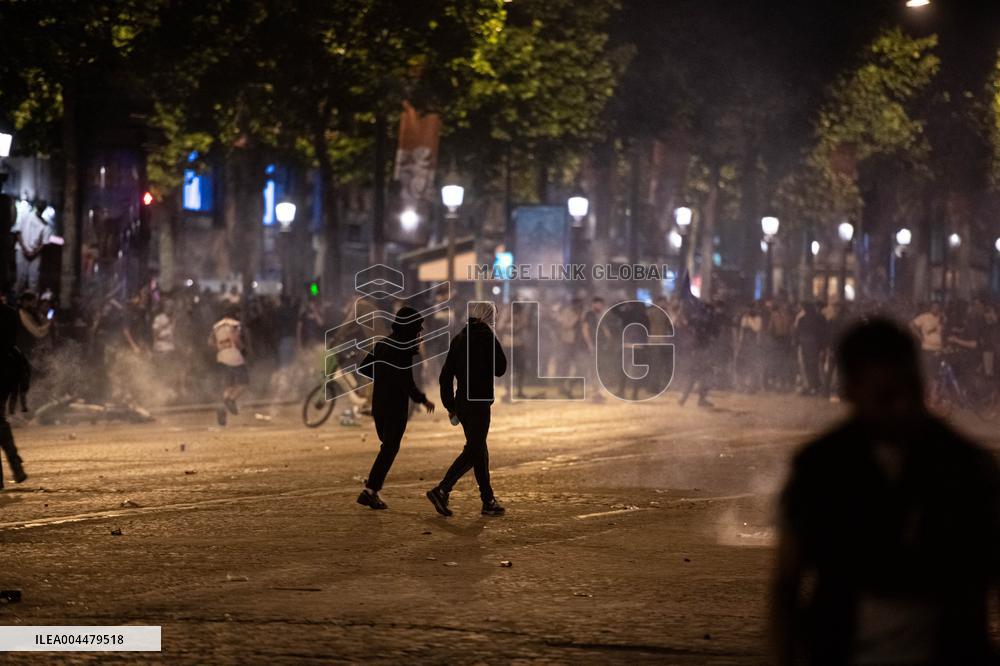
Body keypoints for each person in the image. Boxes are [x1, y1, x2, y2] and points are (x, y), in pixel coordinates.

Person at [770, 319, 1000, 665]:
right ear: (850, 390)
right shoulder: (821, 469)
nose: (902, 408)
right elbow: (786, 584)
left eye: (909, 391)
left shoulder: (965, 466)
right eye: (885, 397)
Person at [427, 302, 507, 517]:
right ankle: (442, 489)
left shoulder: (459, 338)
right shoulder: (488, 338)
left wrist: (450, 406)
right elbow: (501, 369)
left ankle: (487, 499)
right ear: (489, 316)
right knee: (474, 450)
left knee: (478, 449)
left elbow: (445, 377)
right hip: (479, 402)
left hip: (462, 403)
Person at [355, 306, 435, 510]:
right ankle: (370, 491)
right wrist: (422, 400)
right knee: (389, 448)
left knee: (387, 446)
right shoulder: (402, 351)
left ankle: (371, 490)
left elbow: (364, 367)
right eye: (417, 330)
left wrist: (382, 377)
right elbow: (407, 381)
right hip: (395, 407)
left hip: (379, 405)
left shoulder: (382, 345)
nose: (419, 334)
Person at [0, 300, 28, 487]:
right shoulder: (10, 312)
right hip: (8, 370)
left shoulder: (9, 312)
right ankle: (15, 464)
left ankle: (15, 466)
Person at [208, 307, 248, 426]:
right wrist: (243, 348)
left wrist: (219, 349)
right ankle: (230, 400)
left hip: (221, 357)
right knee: (243, 383)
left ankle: (222, 407)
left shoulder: (216, 326)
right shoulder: (234, 325)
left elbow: (210, 342)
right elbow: (235, 339)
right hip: (234, 356)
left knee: (229, 385)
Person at [12, 201, 52, 293]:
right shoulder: (25, 216)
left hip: (35, 255)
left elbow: (44, 242)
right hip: (21, 251)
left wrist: (34, 252)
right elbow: (18, 233)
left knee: (33, 280)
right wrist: (25, 249)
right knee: (20, 278)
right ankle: (16, 302)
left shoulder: (45, 225)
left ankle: (31, 304)